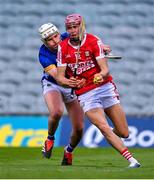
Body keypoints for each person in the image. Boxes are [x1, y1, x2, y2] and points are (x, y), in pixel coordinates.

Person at [57, 13, 141, 168]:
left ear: (81, 26)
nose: (72, 30)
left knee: (124, 133)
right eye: (69, 28)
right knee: (103, 127)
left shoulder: (93, 40)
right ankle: (132, 161)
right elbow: (60, 78)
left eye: (75, 27)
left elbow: (105, 70)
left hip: (104, 88)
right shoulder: (63, 47)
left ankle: (107, 135)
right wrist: (69, 82)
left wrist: (99, 75)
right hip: (86, 93)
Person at [38, 23, 85, 165]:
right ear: (44, 42)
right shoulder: (44, 54)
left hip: (70, 85)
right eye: (50, 40)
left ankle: (68, 151)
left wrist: (101, 49)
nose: (56, 41)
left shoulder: (68, 38)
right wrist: (76, 81)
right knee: (57, 112)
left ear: (60, 33)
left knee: (79, 128)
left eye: (56, 36)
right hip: (53, 84)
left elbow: (90, 43)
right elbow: (58, 78)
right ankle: (50, 138)